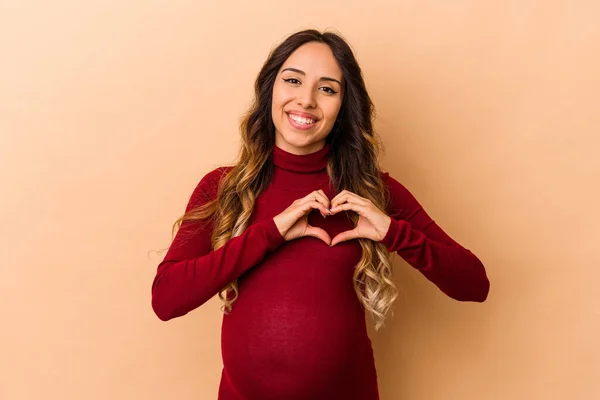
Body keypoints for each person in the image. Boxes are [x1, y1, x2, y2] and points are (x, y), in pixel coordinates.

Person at [151, 29, 490, 400]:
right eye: (293, 80)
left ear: (344, 106)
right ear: (270, 91)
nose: (307, 100)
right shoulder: (223, 187)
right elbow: (167, 299)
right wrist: (270, 233)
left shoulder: (373, 192)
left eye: (327, 89)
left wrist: (394, 232)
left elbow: (473, 284)